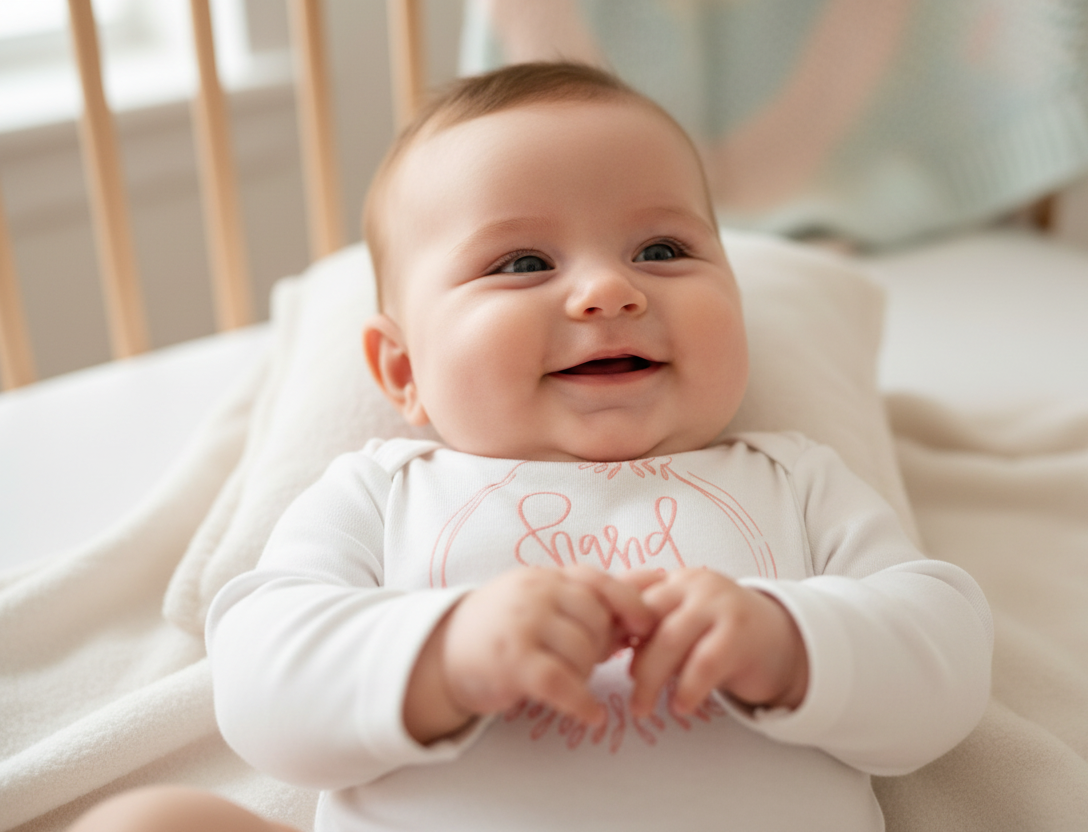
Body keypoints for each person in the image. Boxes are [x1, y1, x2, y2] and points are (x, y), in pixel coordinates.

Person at [69, 62, 992, 832]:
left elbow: (943, 660)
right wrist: (447, 654)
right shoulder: (379, 494)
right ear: (403, 371)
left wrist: (788, 642)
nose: (608, 292)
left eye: (662, 250)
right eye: (522, 264)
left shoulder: (794, 479)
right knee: (145, 823)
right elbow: (261, 685)